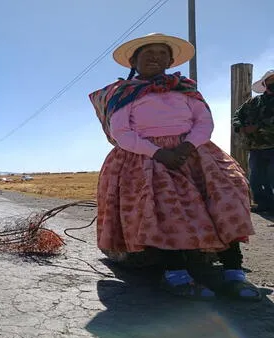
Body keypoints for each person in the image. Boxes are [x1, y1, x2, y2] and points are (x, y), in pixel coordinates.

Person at [88, 33, 262, 301]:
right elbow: (121, 132)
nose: (155, 58)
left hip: (193, 152)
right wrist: (157, 153)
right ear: (133, 61)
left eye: (161, 53)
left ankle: (233, 272)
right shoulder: (124, 94)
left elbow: (204, 122)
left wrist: (186, 147)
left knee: (228, 192)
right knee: (164, 205)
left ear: (170, 60)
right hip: (145, 156)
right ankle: (175, 274)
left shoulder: (185, 89)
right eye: (147, 53)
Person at [232, 70, 274, 214]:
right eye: (270, 80)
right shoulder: (253, 102)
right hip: (255, 147)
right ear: (264, 83)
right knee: (256, 178)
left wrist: (258, 127)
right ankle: (263, 205)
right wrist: (240, 127)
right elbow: (238, 114)